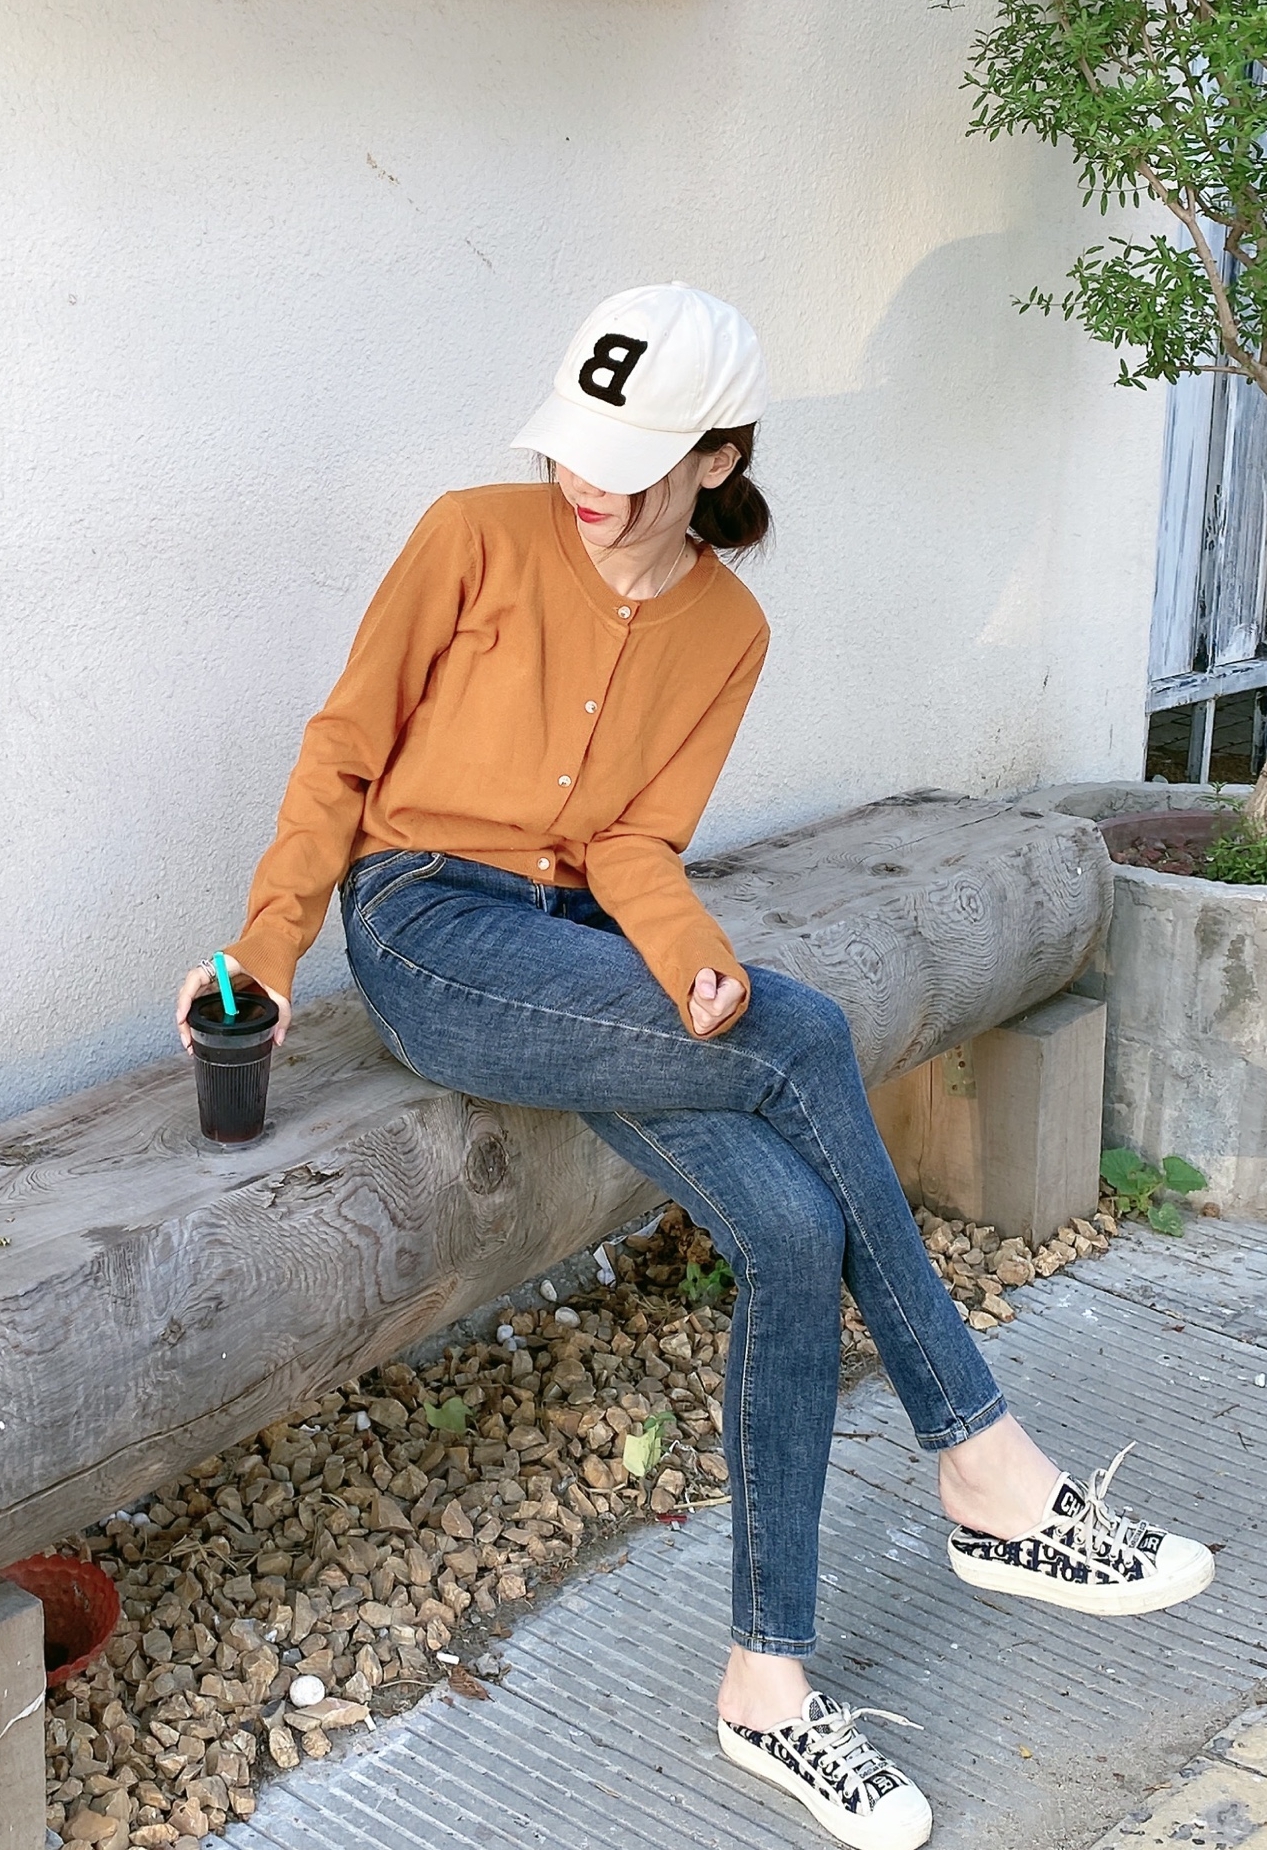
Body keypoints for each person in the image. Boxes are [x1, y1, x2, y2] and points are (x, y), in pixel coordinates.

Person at [176, 283, 1213, 1850]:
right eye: (574, 447)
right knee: (808, 1031)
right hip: (429, 926)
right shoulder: (471, 535)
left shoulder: (730, 627)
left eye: (630, 460)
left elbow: (632, 842)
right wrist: (266, 947)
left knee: (791, 1228)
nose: (583, 483)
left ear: (718, 459)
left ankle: (768, 1684)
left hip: (586, 957)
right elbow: (342, 751)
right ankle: (984, 1459)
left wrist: (685, 957)